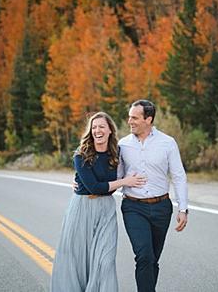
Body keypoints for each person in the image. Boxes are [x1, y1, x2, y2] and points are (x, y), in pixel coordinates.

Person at [50, 111, 147, 292]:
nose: (97, 130)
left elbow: (114, 181)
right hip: (82, 208)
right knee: (79, 259)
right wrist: (125, 181)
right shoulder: (81, 155)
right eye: (94, 127)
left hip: (106, 209)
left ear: (110, 130)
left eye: (102, 126)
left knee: (106, 259)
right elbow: (94, 187)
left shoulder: (116, 152)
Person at [118, 100, 189, 292]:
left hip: (161, 207)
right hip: (133, 207)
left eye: (134, 117)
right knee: (144, 256)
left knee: (153, 259)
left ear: (148, 119)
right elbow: (114, 177)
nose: (129, 121)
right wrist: (83, 182)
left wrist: (183, 209)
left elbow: (178, 176)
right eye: (129, 116)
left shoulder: (167, 143)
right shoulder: (122, 145)